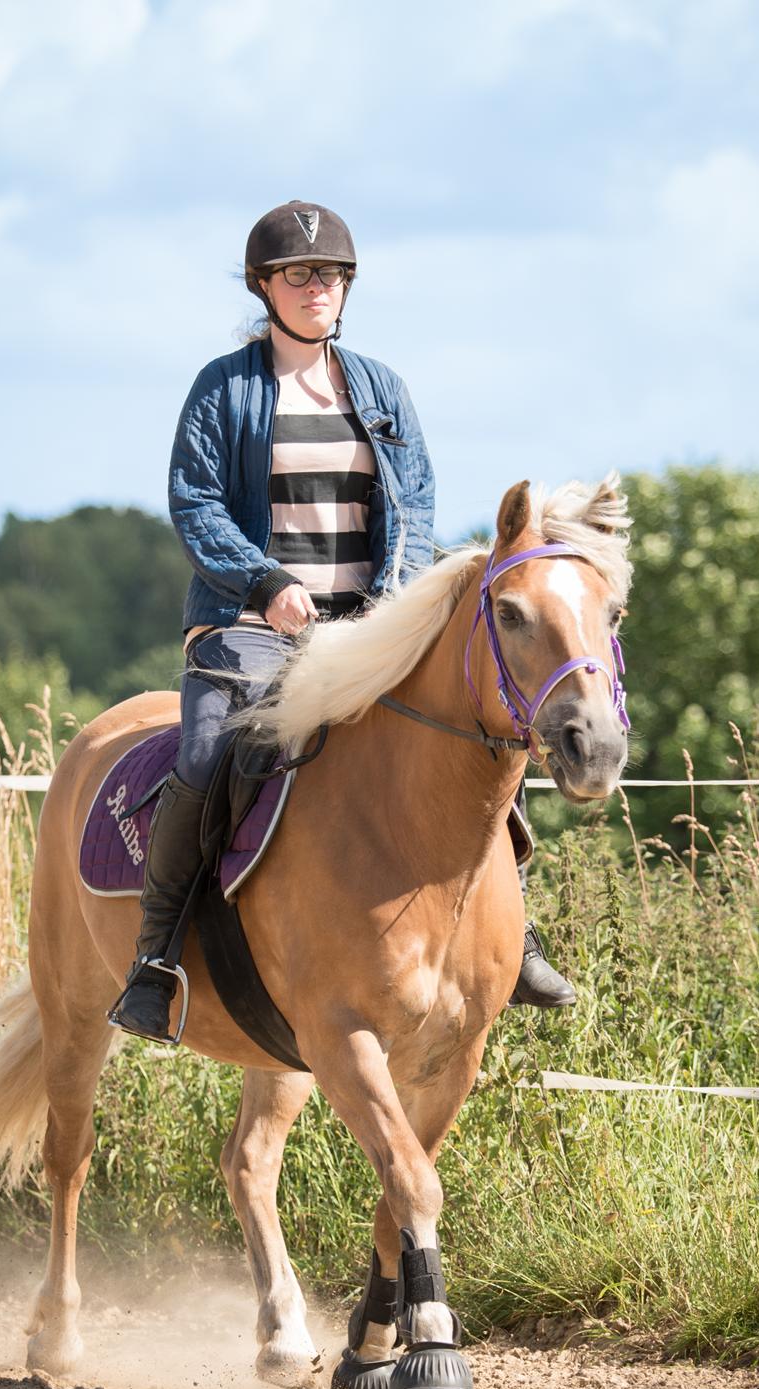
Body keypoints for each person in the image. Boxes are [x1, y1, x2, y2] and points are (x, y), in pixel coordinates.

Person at [109, 200, 574, 1043]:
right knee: (209, 753)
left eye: (330, 276)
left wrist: (395, 600)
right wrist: (265, 582)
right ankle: (156, 958)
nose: (316, 288)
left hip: (365, 624)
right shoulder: (224, 388)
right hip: (248, 625)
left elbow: (417, 498)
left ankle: (513, 934)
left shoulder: (381, 389)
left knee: (468, 738)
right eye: (299, 275)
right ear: (265, 286)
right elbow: (195, 502)